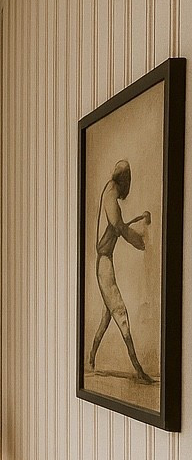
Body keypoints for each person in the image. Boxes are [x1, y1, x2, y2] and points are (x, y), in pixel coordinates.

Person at [88, 159, 154, 384]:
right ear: (125, 181)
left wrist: (137, 221)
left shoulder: (109, 193)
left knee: (107, 317)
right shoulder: (111, 197)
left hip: (105, 261)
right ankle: (138, 370)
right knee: (121, 313)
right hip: (104, 264)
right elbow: (119, 227)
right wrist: (140, 241)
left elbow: (119, 225)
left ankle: (91, 360)